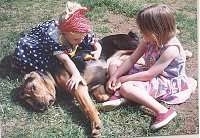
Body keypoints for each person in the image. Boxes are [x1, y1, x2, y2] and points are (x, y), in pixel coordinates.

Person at [103, 4, 197, 130]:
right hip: (148, 71)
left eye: (144, 30)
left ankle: (163, 111)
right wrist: (115, 76)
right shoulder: (148, 39)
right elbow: (131, 59)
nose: (141, 33)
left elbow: (149, 75)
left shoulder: (171, 49)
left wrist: (122, 80)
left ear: (156, 31)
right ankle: (124, 94)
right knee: (114, 63)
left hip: (165, 81)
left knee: (126, 86)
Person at [12, 1, 102, 91]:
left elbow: (94, 42)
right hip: (34, 47)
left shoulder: (80, 31)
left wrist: (98, 50)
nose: (80, 41)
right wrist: (76, 74)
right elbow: (65, 60)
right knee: (55, 63)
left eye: (82, 38)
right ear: (64, 35)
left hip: (62, 37)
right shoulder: (56, 39)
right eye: (76, 39)